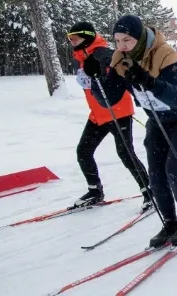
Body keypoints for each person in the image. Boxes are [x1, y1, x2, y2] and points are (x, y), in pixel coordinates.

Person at [86, 15, 177, 248]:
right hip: (158, 118)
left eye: (127, 40)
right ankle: (170, 222)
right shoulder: (120, 59)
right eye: (117, 41)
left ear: (139, 38)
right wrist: (97, 78)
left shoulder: (166, 55)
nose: (121, 46)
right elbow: (108, 99)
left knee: (175, 169)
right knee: (156, 173)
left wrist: (148, 81)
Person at [66, 22, 151, 211]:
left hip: (117, 111)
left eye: (75, 38)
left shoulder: (103, 53)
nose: (71, 42)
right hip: (97, 115)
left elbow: (120, 78)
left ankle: (149, 191)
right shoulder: (80, 58)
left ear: (86, 37)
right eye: (69, 39)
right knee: (83, 151)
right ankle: (95, 190)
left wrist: (103, 72)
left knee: (126, 154)